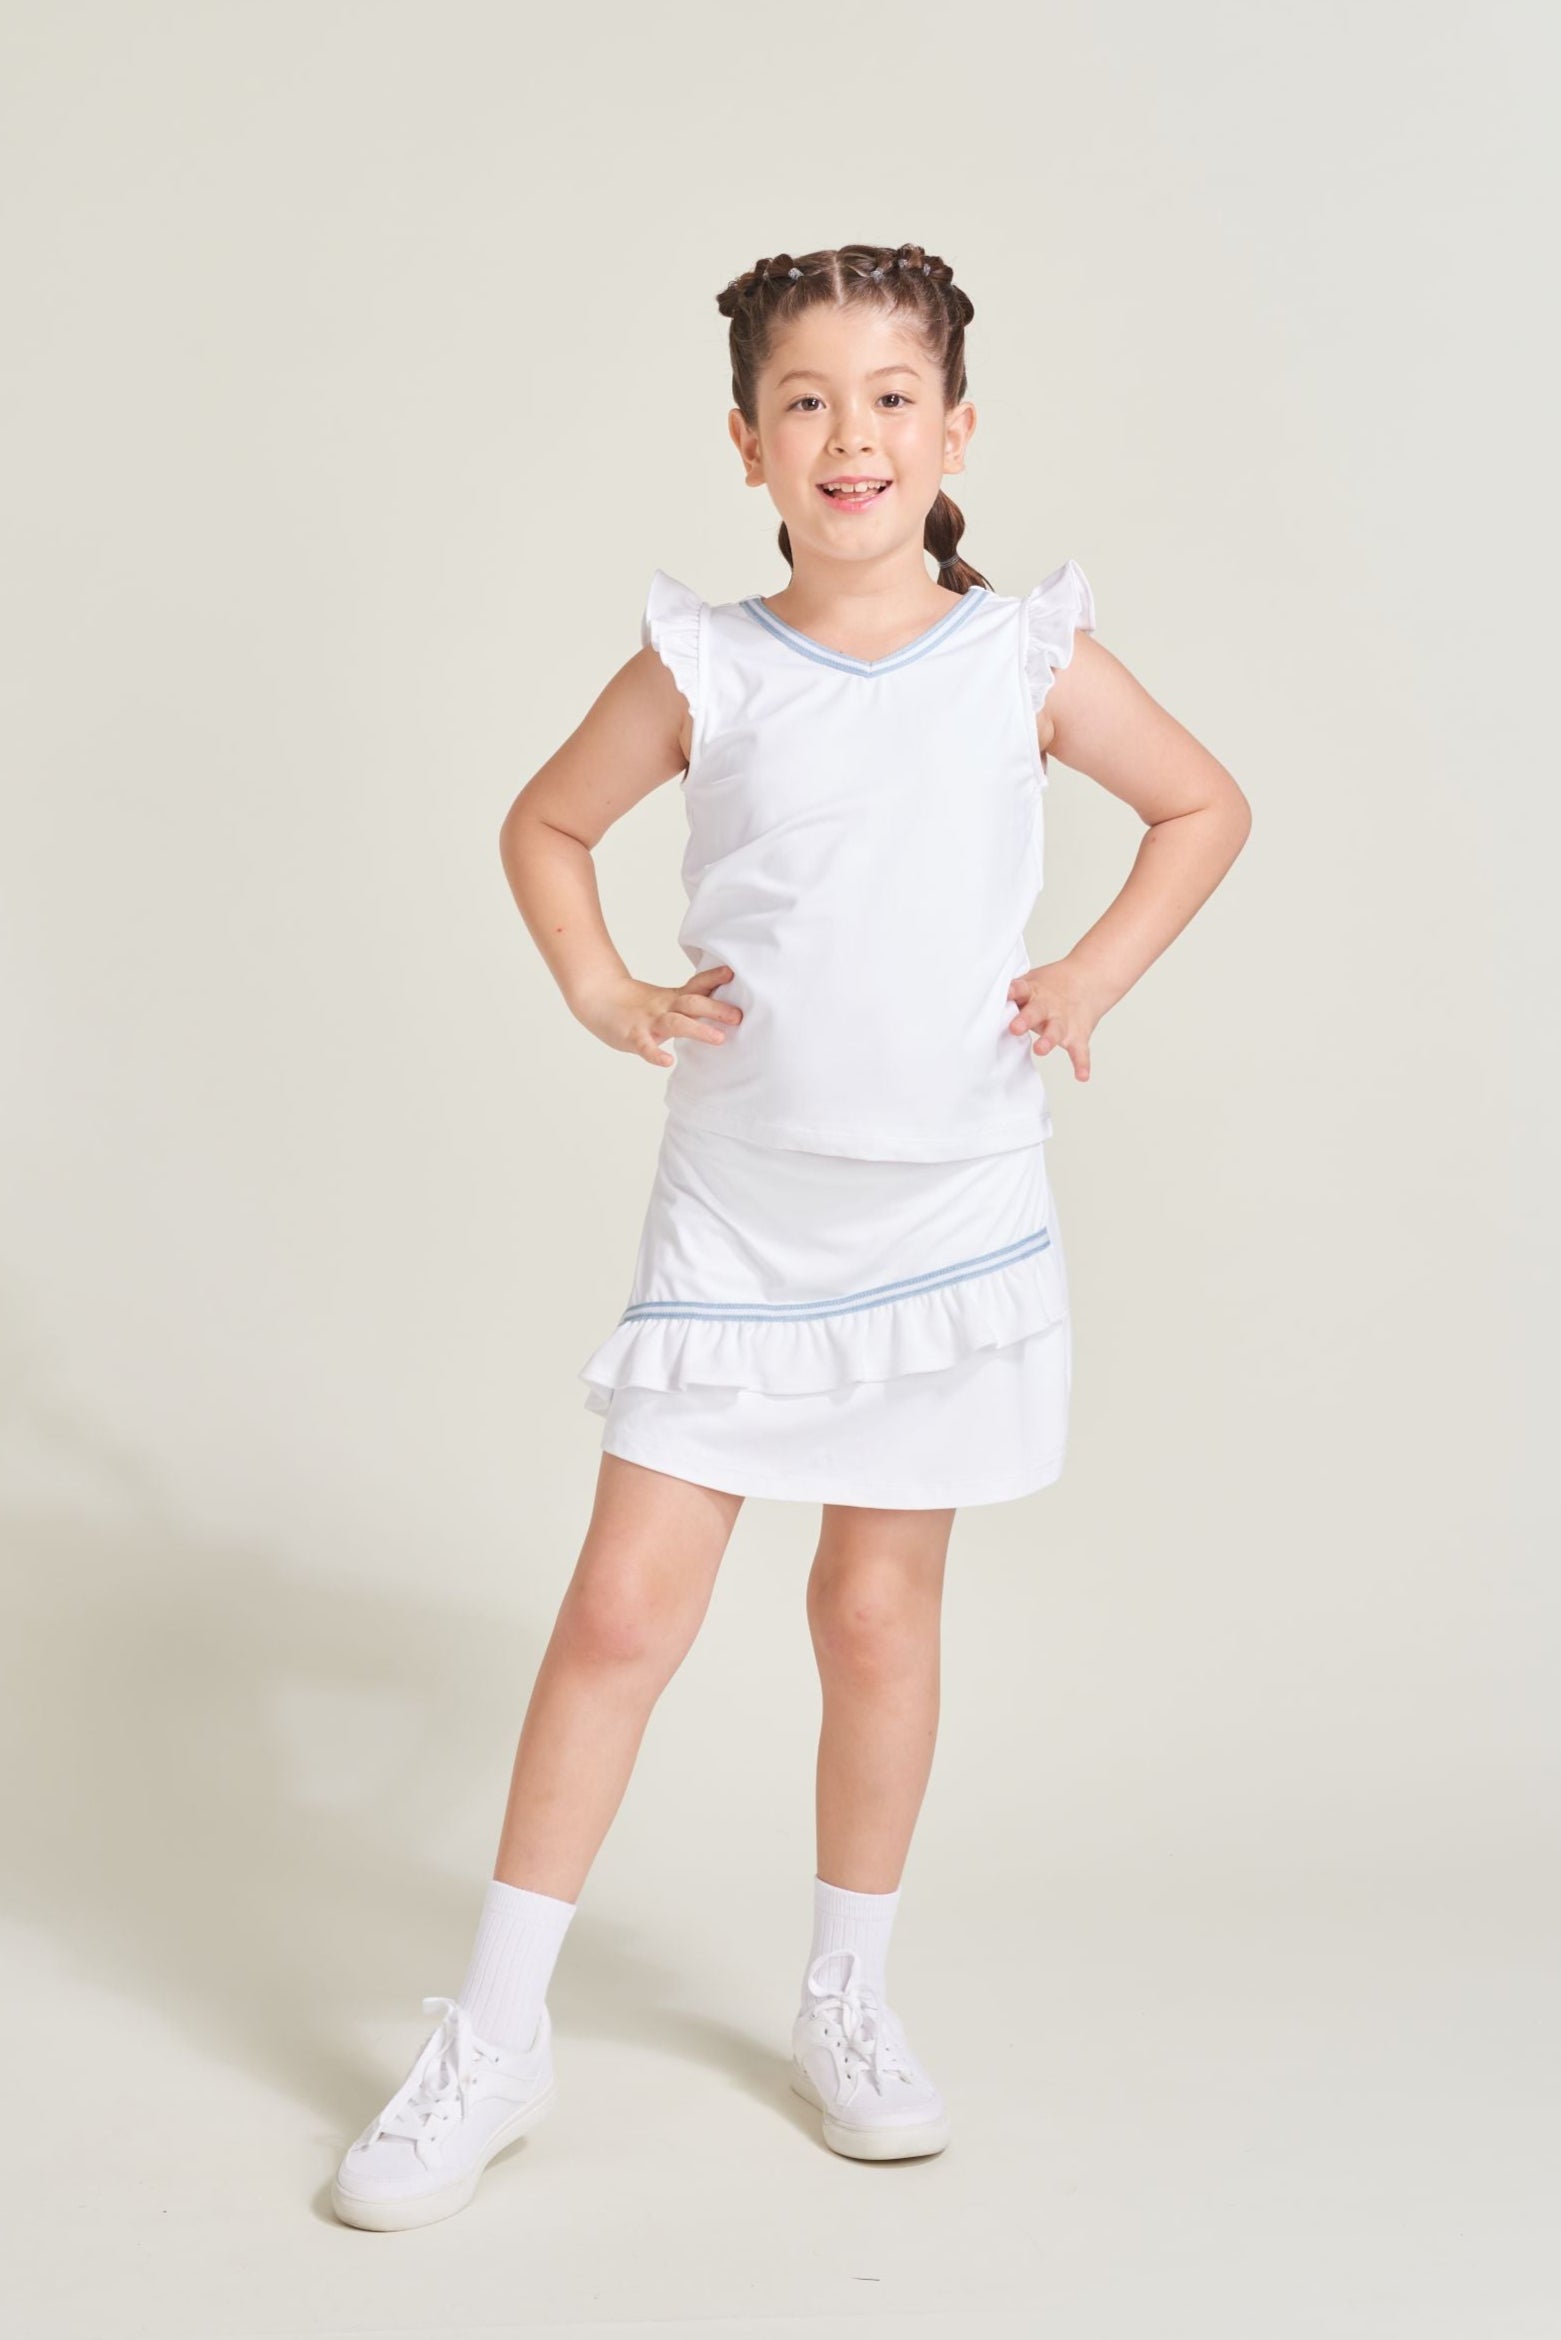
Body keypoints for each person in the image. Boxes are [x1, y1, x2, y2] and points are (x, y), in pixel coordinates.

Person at [330, 240, 1252, 2232]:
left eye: (892, 396)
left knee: (874, 1615)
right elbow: (544, 828)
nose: (853, 435)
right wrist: (599, 993)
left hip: (945, 1210)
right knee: (622, 1618)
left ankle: (849, 1996)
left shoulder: (1020, 657)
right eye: (810, 402)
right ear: (749, 444)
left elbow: (1200, 807)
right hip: (743, 1215)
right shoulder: (703, 665)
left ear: (954, 431)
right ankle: (494, 2037)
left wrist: (1086, 975)